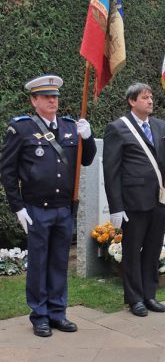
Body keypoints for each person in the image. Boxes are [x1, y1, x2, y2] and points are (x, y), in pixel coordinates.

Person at [0, 75, 96, 337]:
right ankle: (39, 315)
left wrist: (87, 138)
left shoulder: (69, 126)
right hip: (36, 209)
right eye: (46, 97)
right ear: (34, 101)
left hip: (63, 208)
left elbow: (85, 160)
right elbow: (7, 171)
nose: (53, 101)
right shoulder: (20, 129)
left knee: (58, 262)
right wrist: (18, 207)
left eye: (55, 97)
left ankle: (58, 312)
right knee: (40, 262)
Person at [103, 83, 165, 317]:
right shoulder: (118, 128)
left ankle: (150, 294)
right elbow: (111, 171)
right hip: (134, 201)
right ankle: (134, 298)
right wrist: (116, 207)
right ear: (132, 101)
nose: (150, 101)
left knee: (153, 248)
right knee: (131, 250)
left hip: (159, 199)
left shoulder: (160, 126)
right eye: (144, 98)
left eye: (151, 97)